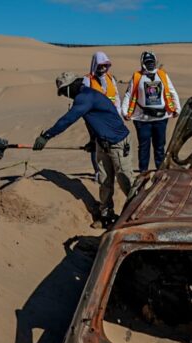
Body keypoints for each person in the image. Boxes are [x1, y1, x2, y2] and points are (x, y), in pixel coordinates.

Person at [34, 72, 133, 228]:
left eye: (64, 92)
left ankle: (136, 214)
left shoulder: (85, 97)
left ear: (71, 86)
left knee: (125, 179)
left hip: (117, 144)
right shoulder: (85, 97)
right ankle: (107, 215)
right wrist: (93, 141)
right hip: (102, 143)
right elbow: (94, 120)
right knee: (104, 181)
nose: (65, 96)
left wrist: (46, 136)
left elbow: (68, 119)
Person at [121, 51, 180, 172]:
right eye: (147, 62)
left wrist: (177, 108)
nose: (150, 64)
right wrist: (124, 111)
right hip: (142, 119)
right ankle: (143, 172)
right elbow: (129, 94)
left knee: (160, 147)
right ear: (143, 63)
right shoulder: (137, 76)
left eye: (152, 62)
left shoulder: (162, 75)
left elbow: (172, 91)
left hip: (161, 118)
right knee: (144, 147)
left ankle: (161, 172)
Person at [82, 51, 121, 183]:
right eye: (100, 66)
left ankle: (112, 172)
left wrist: (118, 113)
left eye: (105, 66)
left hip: (111, 119)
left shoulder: (111, 78)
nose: (103, 69)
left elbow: (116, 97)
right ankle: (98, 171)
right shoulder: (87, 80)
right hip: (95, 120)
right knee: (97, 145)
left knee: (112, 145)